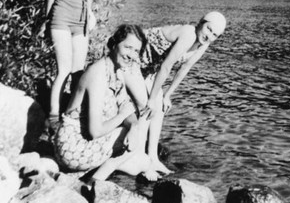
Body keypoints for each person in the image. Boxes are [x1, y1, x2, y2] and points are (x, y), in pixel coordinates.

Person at [125, 11, 227, 178]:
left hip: (150, 68)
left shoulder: (203, 44)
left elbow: (184, 68)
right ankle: (140, 159)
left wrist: (167, 95)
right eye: (209, 30)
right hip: (134, 61)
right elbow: (166, 66)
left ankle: (153, 157)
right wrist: (152, 98)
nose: (210, 36)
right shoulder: (188, 34)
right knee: (148, 107)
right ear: (201, 22)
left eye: (215, 35)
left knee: (160, 108)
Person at [53, 24, 155, 181]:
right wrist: (122, 118)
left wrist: (133, 126)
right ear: (114, 44)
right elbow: (95, 131)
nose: (132, 55)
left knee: (141, 155)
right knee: (135, 143)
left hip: (86, 141)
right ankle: (94, 182)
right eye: (128, 47)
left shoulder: (117, 72)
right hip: (72, 145)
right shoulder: (98, 74)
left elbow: (126, 107)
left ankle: (90, 175)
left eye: (136, 51)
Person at [40, 0, 98, 131]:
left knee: (78, 71)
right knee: (63, 69)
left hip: (80, 20)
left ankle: (71, 114)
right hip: (61, 18)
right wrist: (47, 23)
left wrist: (90, 15)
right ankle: (53, 117)